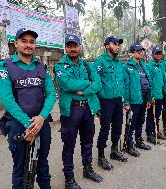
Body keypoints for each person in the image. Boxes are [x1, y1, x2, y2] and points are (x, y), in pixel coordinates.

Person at [0, 28, 56, 189]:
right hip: (18, 124)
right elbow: (7, 99)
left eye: (31, 41)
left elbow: (51, 94)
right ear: (16, 43)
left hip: (40, 122)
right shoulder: (4, 66)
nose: (28, 45)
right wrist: (28, 124)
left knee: (42, 164)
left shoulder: (41, 67)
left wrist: (42, 117)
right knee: (20, 168)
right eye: (24, 41)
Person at [54, 34, 103, 189]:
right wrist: (88, 84)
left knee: (87, 141)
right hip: (71, 110)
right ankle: (69, 178)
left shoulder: (88, 66)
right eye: (69, 46)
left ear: (80, 47)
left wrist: (86, 91)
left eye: (75, 45)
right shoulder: (60, 66)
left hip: (88, 107)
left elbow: (98, 84)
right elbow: (67, 84)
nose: (72, 48)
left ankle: (87, 169)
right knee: (69, 144)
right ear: (66, 48)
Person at [94, 36, 128, 171]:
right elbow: (95, 83)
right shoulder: (100, 62)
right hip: (106, 101)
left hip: (118, 100)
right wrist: (97, 105)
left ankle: (114, 151)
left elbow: (124, 82)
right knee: (105, 128)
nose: (117, 46)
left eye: (118, 44)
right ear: (107, 46)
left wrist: (124, 99)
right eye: (115, 44)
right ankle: (101, 156)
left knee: (118, 126)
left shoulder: (119, 63)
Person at [123, 43, 152, 157]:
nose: (141, 52)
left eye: (141, 51)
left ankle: (138, 141)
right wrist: (126, 102)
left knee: (140, 121)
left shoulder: (144, 65)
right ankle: (128, 145)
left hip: (144, 98)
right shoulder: (127, 67)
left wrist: (149, 98)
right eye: (138, 50)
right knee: (131, 123)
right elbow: (125, 86)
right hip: (133, 100)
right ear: (131, 53)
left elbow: (148, 82)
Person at [146, 46, 166, 145]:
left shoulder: (160, 65)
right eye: (156, 53)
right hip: (153, 96)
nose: (159, 55)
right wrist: (150, 97)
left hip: (160, 95)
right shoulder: (149, 66)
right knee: (151, 116)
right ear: (152, 54)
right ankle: (150, 134)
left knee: (157, 115)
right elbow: (149, 83)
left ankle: (156, 131)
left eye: (160, 53)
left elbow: (163, 80)